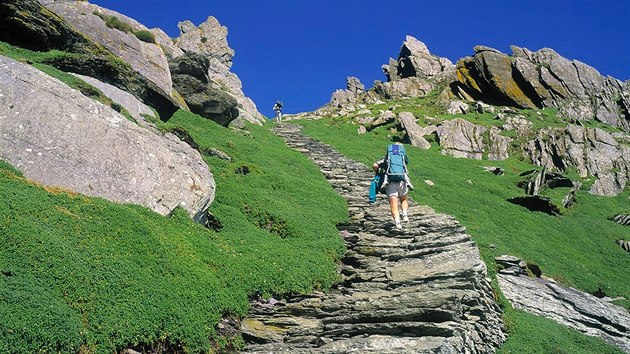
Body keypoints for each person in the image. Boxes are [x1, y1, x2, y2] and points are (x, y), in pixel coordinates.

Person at [373, 142, 413, 230]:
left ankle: (397, 222)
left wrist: (378, 173)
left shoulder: (387, 158)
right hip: (402, 181)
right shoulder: (402, 156)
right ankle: (405, 215)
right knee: (403, 199)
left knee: (393, 204)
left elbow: (375, 165)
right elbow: (406, 162)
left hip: (390, 183)